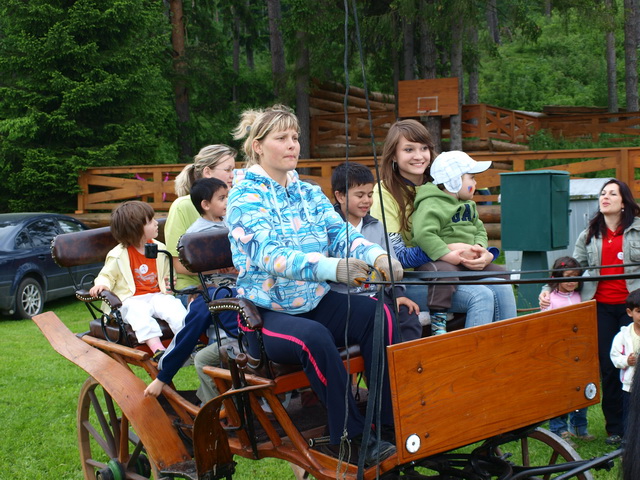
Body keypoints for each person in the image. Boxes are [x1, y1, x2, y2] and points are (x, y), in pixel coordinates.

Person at [227, 104, 402, 465]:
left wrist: (377, 256)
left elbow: (340, 234)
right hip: (267, 314)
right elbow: (268, 255)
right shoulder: (244, 198)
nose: (292, 144)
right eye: (281, 138)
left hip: (315, 303)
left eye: (295, 137)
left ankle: (387, 422)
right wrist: (330, 268)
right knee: (315, 338)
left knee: (380, 315)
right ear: (258, 146)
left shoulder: (308, 192)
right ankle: (349, 438)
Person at [369, 119, 509, 333]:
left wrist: (481, 252)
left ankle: (509, 349)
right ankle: (470, 353)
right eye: (409, 149)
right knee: (481, 295)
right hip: (408, 281)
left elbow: (468, 226)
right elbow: (397, 257)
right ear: (394, 156)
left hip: (452, 271)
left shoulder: (444, 184)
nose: (419, 156)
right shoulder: (384, 193)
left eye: (424, 148)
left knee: (502, 286)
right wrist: (448, 250)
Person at [539, 178, 640, 446]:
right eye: (602, 193)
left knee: (637, 365)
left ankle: (636, 427)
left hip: (634, 308)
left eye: (612, 194)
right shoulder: (590, 234)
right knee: (610, 367)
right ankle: (616, 429)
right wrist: (548, 288)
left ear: (624, 202)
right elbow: (572, 267)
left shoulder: (638, 230)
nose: (605, 197)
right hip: (601, 308)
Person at [144, 177, 239, 402]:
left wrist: (163, 376)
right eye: (222, 198)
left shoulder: (232, 224)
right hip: (226, 297)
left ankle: (219, 408)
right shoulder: (198, 236)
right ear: (205, 204)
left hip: (238, 330)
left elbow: (188, 332)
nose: (227, 201)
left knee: (204, 358)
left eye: (227, 196)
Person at [412, 150, 516, 334]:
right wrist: (448, 255)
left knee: (502, 274)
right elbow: (424, 234)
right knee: (445, 275)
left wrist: (481, 249)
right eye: (472, 178)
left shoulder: (469, 205)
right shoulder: (430, 204)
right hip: (439, 262)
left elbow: (479, 230)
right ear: (454, 181)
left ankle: (500, 327)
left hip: (468, 263)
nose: (475, 184)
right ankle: (438, 318)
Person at [331, 161, 421, 341]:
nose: (367, 201)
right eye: (360, 195)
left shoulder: (377, 226)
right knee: (380, 319)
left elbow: (391, 265)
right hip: (345, 299)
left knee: (407, 315)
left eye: (370, 194)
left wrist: (397, 295)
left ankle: (410, 359)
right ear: (340, 196)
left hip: (378, 295)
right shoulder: (330, 228)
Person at [89, 201, 186, 360]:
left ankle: (188, 341)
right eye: (151, 221)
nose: (156, 223)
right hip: (130, 299)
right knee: (138, 311)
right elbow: (107, 275)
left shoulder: (160, 248)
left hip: (156, 295)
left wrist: (169, 283)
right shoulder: (118, 255)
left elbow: (167, 273)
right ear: (136, 229)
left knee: (173, 306)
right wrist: (101, 285)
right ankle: (157, 348)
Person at [165, 145, 237, 295]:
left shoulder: (229, 206)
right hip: (193, 288)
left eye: (233, 170)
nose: (233, 175)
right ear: (208, 172)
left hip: (228, 281)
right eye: (228, 170)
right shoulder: (182, 206)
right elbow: (178, 265)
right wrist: (220, 268)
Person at [541, 256, 593, 445]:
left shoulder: (580, 296)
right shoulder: (550, 299)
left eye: (575, 277)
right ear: (557, 277)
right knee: (561, 391)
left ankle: (579, 427)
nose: (572, 281)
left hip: (579, 351)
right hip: (560, 352)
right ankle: (559, 429)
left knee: (581, 388)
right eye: (567, 277)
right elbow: (546, 326)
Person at [610, 288, 640, 435]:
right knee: (630, 415)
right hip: (630, 386)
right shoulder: (623, 335)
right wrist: (627, 360)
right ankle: (628, 440)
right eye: (639, 311)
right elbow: (615, 357)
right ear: (630, 312)